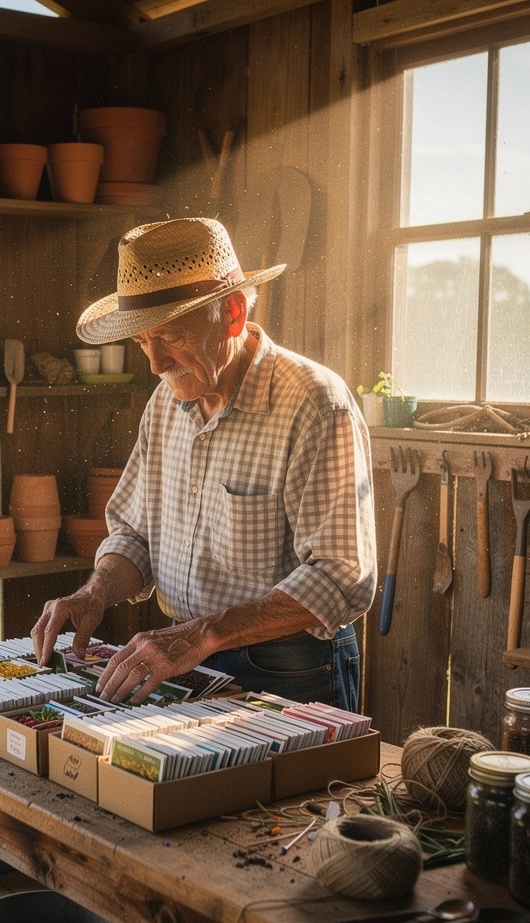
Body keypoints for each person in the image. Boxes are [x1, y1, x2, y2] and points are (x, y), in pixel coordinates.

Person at [32, 217, 377, 712]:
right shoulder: (164, 401)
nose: (154, 363)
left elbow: (341, 575)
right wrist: (96, 592)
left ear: (233, 314)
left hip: (289, 666)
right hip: (185, 654)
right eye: (142, 341)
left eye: (170, 337)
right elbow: (134, 535)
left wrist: (204, 634)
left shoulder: (315, 404)